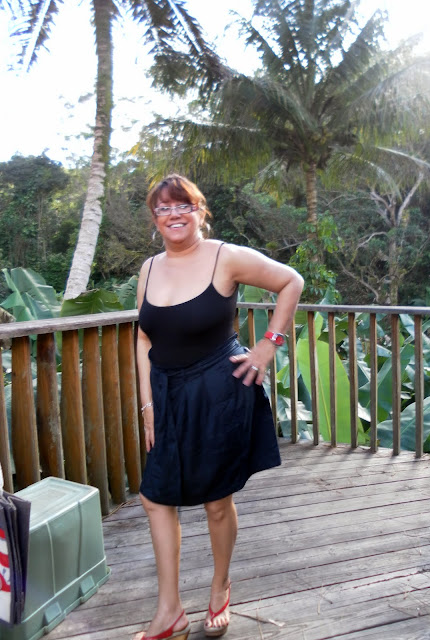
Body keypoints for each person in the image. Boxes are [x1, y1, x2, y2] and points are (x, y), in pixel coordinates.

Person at [134, 174, 304, 640]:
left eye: (183, 205)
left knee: (216, 501)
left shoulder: (224, 257)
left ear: (199, 211)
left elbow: (291, 281)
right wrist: (147, 406)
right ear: (155, 218)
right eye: (164, 208)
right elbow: (145, 338)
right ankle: (169, 611)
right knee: (155, 497)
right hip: (166, 396)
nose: (174, 214)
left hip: (218, 393)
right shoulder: (149, 269)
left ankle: (220, 587)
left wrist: (268, 345)